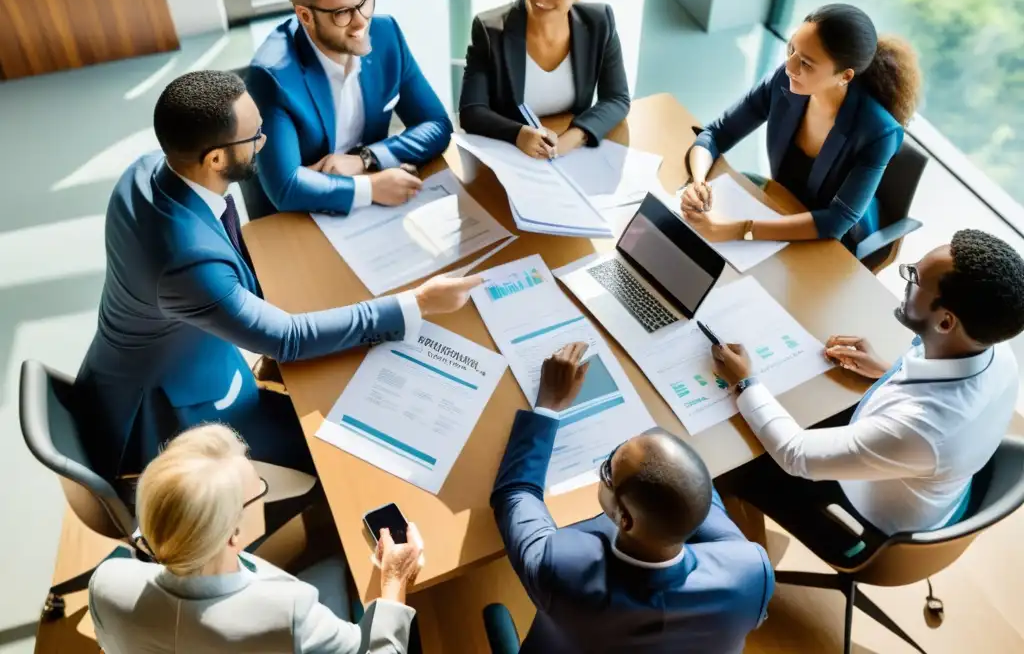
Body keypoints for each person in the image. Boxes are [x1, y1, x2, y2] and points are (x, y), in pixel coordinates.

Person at [75, 70, 481, 483]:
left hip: (148, 358)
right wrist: (419, 303)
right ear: (215, 158)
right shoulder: (184, 262)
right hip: (169, 409)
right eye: (255, 138)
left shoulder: (146, 171)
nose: (264, 142)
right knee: (341, 451)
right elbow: (288, 339)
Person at [713, 230, 1024, 549]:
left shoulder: (921, 430)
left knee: (732, 462)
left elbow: (797, 455)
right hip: (927, 478)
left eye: (914, 275)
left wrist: (745, 381)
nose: (907, 274)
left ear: (945, 322)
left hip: (867, 516)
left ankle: (748, 562)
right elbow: (931, 395)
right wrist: (885, 369)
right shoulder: (996, 353)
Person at [491, 342, 774, 653]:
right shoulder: (750, 571)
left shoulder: (563, 568)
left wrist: (548, 405)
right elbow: (693, 491)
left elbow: (515, 494)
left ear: (624, 518)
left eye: (608, 472)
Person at [88, 423, 423, 653]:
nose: (264, 492)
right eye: (258, 489)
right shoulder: (289, 612)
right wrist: (394, 581)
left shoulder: (107, 582)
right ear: (232, 533)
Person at [681, 3, 922, 249]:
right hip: (779, 209)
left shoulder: (878, 132)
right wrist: (698, 182)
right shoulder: (784, 82)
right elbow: (717, 133)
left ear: (845, 76)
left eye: (806, 63)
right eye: (791, 49)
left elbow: (836, 222)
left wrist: (738, 230)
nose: (790, 67)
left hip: (831, 243)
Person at [247, 0, 452, 217]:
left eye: (363, 3)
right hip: (303, 215)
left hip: (372, 199)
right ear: (306, 16)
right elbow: (286, 187)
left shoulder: (386, 33)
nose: (361, 23)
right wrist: (370, 187)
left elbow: (437, 124)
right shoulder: (272, 77)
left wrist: (365, 159)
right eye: (343, 13)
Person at [459, 0, 630, 160]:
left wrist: (574, 136)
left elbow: (617, 98)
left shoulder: (600, 22)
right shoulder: (490, 29)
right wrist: (518, 133)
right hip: (511, 157)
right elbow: (471, 111)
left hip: (566, 158)